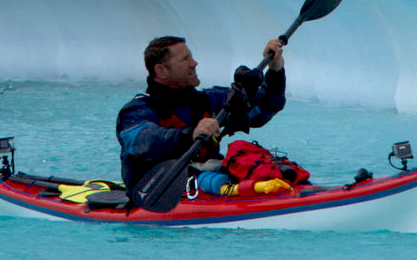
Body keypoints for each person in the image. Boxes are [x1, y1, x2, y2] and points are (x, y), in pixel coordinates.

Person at [116, 35, 290, 197]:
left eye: (191, 57)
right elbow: (142, 141)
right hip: (156, 190)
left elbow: (264, 109)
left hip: (209, 182)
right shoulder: (137, 110)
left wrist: (275, 71)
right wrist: (191, 134)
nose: (194, 63)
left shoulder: (207, 101)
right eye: (185, 59)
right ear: (161, 71)